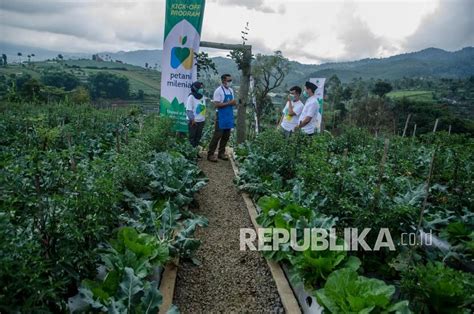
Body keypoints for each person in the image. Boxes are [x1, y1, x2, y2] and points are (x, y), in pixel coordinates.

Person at [207, 74, 236, 162]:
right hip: (221, 116)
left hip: (229, 116)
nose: (230, 82)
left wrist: (234, 103)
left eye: (231, 80)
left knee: (226, 136)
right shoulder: (218, 91)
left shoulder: (231, 90)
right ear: (223, 81)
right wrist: (229, 103)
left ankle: (221, 153)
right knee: (217, 135)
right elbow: (216, 105)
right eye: (228, 80)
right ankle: (210, 154)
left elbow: (232, 102)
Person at [186, 81, 206, 155]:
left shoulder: (202, 96)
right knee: (192, 138)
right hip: (193, 121)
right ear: (195, 88)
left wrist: (203, 119)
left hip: (201, 121)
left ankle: (196, 153)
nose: (202, 89)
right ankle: (191, 154)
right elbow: (189, 110)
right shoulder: (191, 97)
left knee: (198, 138)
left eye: (202, 87)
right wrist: (192, 120)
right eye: (200, 87)